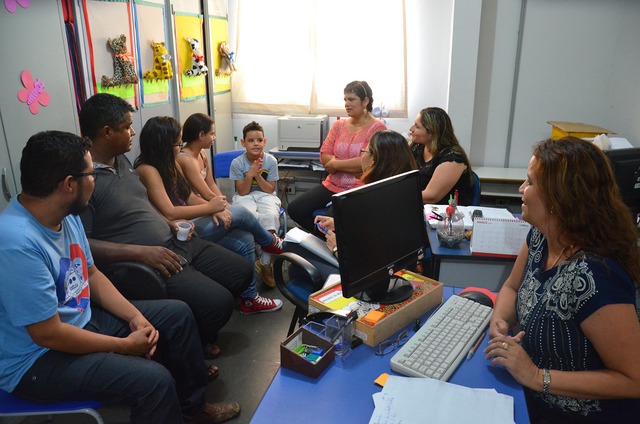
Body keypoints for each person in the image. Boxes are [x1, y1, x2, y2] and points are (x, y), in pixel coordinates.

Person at [0, 130, 240, 424]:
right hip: (36, 360)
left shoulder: (68, 216)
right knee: (153, 381)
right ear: (69, 184)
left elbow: (91, 273)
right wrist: (124, 346)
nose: (95, 181)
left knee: (177, 315)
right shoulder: (17, 242)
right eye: (91, 175)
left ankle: (191, 412)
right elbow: (48, 334)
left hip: (80, 320)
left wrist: (135, 317)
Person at [78, 93, 252, 360]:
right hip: (151, 260)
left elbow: (142, 206)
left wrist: (169, 222)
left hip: (176, 241)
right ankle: (188, 346)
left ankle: (194, 335)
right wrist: (141, 252)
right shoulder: (85, 180)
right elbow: (83, 245)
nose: (132, 131)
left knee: (241, 270)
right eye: (126, 126)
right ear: (107, 132)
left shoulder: (120, 162)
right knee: (218, 303)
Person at [484, 137, 640, 423]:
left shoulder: (597, 277)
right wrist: (500, 321)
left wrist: (534, 375)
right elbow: (511, 287)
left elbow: (634, 379)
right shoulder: (541, 237)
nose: (521, 189)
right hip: (530, 398)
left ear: (558, 199)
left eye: (529, 182)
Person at [134, 116, 282, 314]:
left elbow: (191, 197)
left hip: (192, 221)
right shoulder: (148, 169)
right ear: (163, 143)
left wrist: (218, 208)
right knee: (243, 213)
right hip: (177, 233)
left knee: (245, 237)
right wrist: (212, 208)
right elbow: (170, 211)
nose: (180, 147)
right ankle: (270, 241)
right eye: (177, 143)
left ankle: (249, 299)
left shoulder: (171, 163)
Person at [287, 80, 387, 232]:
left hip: (357, 188)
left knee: (332, 224)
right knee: (295, 209)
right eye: (345, 100)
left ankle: (335, 242)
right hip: (331, 184)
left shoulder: (378, 128)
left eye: (351, 99)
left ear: (365, 101)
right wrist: (347, 166)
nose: (347, 104)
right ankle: (326, 241)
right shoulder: (338, 125)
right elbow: (324, 155)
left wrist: (335, 165)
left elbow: (366, 164)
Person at [314, 129, 417, 256]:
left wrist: (336, 248)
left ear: (373, 159)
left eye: (364, 152)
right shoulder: (401, 190)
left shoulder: (375, 199)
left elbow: (368, 260)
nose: (362, 157)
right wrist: (339, 225)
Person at [230, 120, 282, 287]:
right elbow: (242, 191)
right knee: (250, 216)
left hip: (265, 194)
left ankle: (265, 262)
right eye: (251, 140)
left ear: (265, 141)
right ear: (243, 142)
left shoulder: (271, 161)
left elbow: (269, 189)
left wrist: (258, 176)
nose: (256, 144)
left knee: (270, 216)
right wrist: (249, 175)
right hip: (244, 196)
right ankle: (250, 259)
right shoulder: (237, 163)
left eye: (259, 140)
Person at [408, 107, 474, 205]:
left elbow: (431, 197)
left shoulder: (453, 158)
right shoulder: (417, 147)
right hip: (419, 207)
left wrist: (396, 195)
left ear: (432, 133)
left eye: (417, 126)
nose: (411, 129)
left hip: (443, 215)